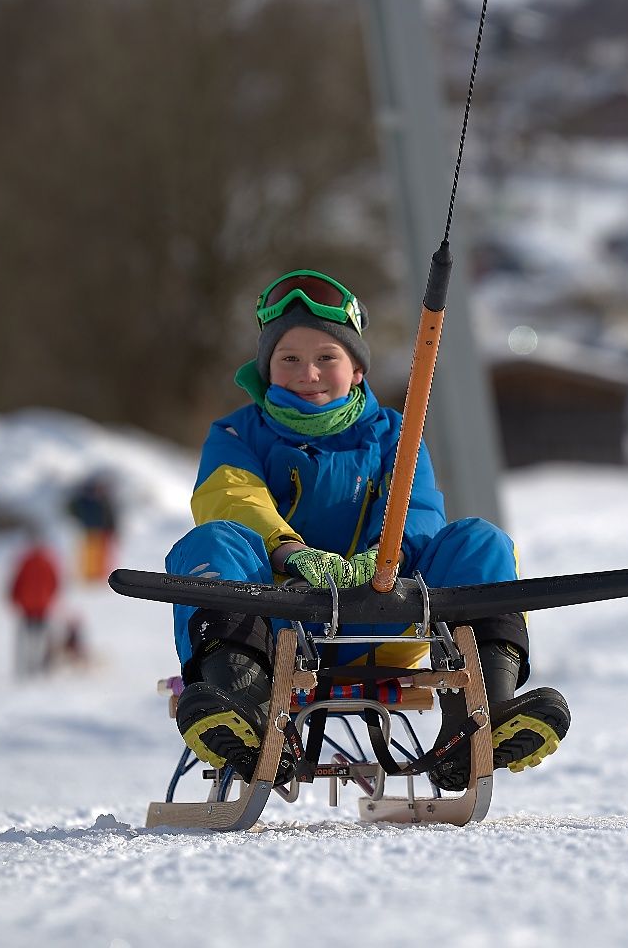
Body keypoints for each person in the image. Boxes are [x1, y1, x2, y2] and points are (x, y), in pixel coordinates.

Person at [166, 269, 570, 790]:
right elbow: (232, 497)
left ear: (356, 368)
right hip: (275, 626)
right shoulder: (234, 434)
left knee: (480, 541)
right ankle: (247, 713)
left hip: (383, 622)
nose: (309, 373)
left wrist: (386, 558)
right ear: (266, 368)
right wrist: (289, 553)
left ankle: (480, 721)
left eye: (326, 357)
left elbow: (419, 508)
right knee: (210, 542)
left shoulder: (396, 433)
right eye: (289, 359)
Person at [7, 528, 61, 678]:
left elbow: (55, 583)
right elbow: (16, 583)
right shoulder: (30, 561)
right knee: (29, 640)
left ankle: (35, 667)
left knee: (38, 640)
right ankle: (27, 667)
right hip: (30, 607)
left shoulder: (42, 562)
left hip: (38, 607)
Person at [66, 474, 119, 582]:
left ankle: (98, 574)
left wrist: (111, 529)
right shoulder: (84, 501)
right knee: (88, 553)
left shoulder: (103, 502)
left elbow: (108, 516)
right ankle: (88, 574)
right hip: (88, 530)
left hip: (99, 531)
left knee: (99, 553)